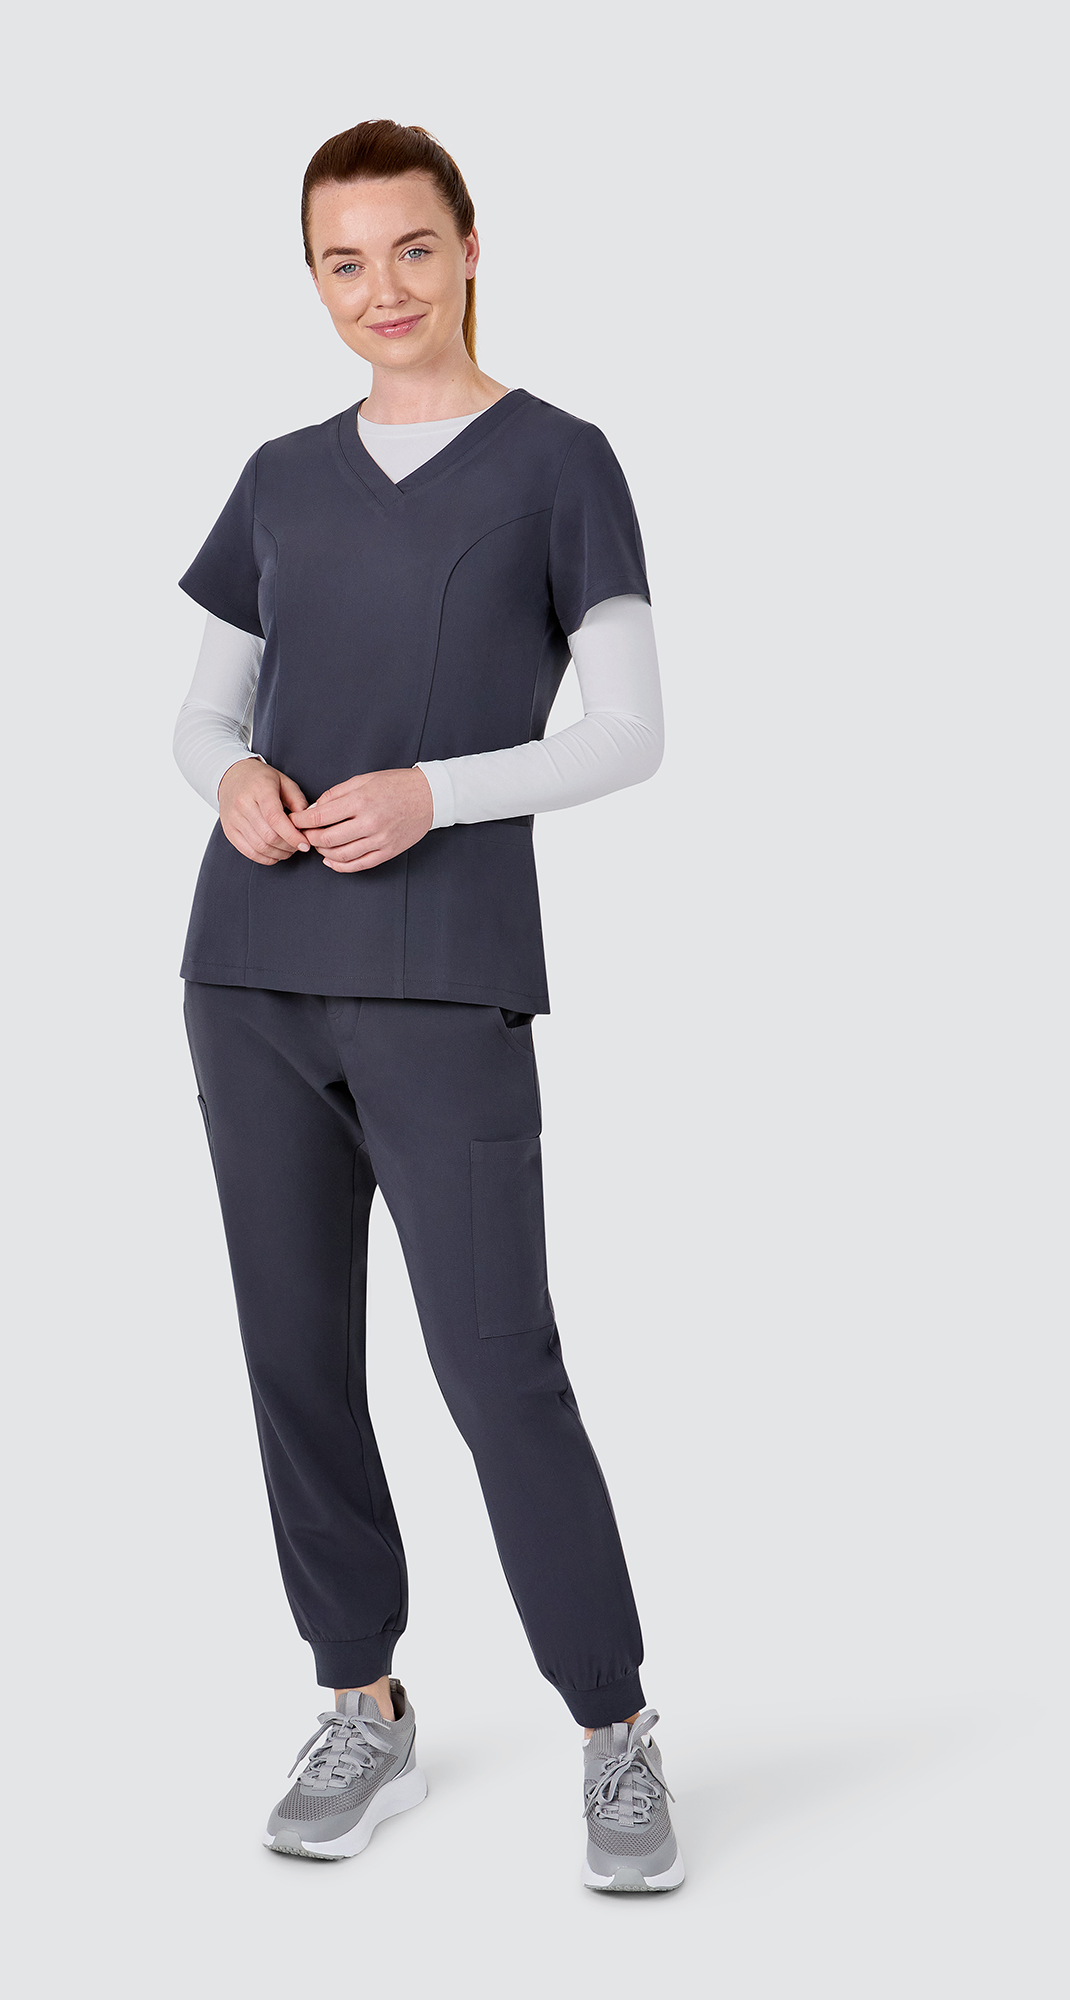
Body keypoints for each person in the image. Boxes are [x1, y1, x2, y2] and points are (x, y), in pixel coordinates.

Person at [173, 120, 680, 1892]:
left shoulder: (559, 463)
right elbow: (204, 715)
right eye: (343, 260)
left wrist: (434, 796)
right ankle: (360, 1700)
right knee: (294, 1358)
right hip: (250, 968)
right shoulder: (279, 477)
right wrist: (232, 783)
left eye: (409, 248)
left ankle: (614, 1727)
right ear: (312, 278)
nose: (380, 288)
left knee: (497, 1363)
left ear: (469, 247)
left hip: (444, 977)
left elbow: (629, 734)